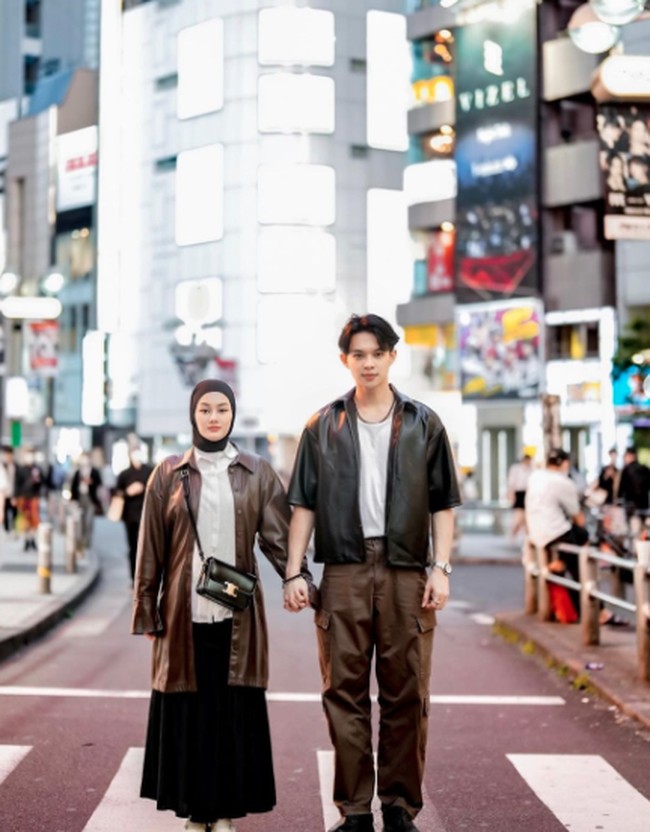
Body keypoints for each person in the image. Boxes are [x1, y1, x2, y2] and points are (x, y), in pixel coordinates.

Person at [284, 313, 461, 832]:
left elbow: (444, 504)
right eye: (357, 354)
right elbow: (304, 505)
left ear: (391, 357)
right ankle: (356, 811)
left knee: (408, 690)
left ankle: (400, 806)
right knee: (344, 690)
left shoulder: (425, 422)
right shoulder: (322, 425)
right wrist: (294, 572)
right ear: (346, 361)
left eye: (376, 353)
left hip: (407, 568)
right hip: (342, 569)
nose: (367, 362)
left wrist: (441, 567)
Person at [132, 379, 312, 832]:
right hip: (181, 613)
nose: (214, 417)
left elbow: (277, 538)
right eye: (206, 409)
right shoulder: (167, 473)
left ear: (233, 416)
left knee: (232, 712)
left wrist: (297, 577)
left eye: (223, 410)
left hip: (237, 614)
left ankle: (226, 813)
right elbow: (150, 546)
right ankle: (197, 813)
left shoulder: (257, 472)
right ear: (193, 415)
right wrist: (146, 609)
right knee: (190, 714)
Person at [114, 443, 154, 582]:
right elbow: (117, 493)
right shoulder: (125, 474)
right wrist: (128, 492)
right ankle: (134, 578)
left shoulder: (150, 471)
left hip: (147, 515)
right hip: (130, 516)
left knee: (147, 548)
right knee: (133, 547)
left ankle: (147, 577)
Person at [70, 452, 104, 548]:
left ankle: (87, 541)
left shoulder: (94, 472)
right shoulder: (78, 472)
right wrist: (73, 499)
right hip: (80, 498)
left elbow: (100, 483)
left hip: (91, 499)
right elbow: (73, 486)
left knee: (89, 520)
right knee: (81, 521)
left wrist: (91, 482)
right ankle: (80, 540)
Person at [14, 449, 44, 551]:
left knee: (34, 520)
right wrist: (16, 497)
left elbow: (42, 482)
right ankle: (27, 540)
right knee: (25, 520)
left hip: (34, 497)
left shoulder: (36, 469)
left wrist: (37, 481)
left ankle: (32, 539)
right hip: (23, 497)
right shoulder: (21, 469)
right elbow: (17, 484)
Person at [617, 446, 650, 518]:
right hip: (644, 505)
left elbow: (621, 488)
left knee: (631, 526)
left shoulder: (626, 469)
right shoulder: (645, 468)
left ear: (630, 455)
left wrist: (618, 501)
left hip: (630, 506)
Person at [507, 454, 532, 540]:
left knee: (526, 519)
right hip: (519, 494)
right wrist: (511, 496)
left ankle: (527, 537)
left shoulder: (531, 469)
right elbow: (511, 483)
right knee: (518, 518)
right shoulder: (516, 469)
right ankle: (512, 535)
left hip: (528, 494)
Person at [1, 446, 18, 536]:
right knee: (5, 511)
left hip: (13, 493)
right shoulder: (2, 465)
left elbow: (17, 481)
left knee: (14, 511)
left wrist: (15, 494)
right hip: (4, 493)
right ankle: (7, 530)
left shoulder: (15, 466)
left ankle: (13, 529)